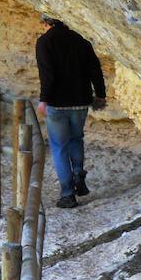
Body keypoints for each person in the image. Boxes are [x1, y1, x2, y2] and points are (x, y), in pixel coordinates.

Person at [35, 14, 106, 208]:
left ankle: (68, 194)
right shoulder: (80, 40)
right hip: (80, 101)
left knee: (59, 147)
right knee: (76, 139)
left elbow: (47, 74)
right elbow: (95, 69)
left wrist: (44, 99)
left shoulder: (44, 42)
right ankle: (78, 175)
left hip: (57, 104)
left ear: (46, 23)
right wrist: (100, 94)